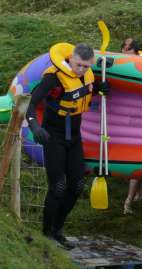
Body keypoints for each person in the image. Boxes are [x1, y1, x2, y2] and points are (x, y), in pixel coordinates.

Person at [26, 42, 110, 246]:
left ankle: (57, 230)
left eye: (86, 66)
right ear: (71, 58)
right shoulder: (53, 77)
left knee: (78, 185)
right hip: (53, 135)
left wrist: (100, 88)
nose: (81, 69)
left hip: (74, 136)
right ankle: (46, 234)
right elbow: (31, 106)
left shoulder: (87, 75)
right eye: (78, 64)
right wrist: (35, 127)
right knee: (59, 186)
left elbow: (86, 89)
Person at [121, 38, 142, 214]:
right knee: (131, 162)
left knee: (137, 161)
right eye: (123, 47)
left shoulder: (141, 64)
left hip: (138, 118)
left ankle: (128, 200)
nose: (125, 50)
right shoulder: (117, 62)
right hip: (123, 118)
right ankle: (136, 192)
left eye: (128, 48)